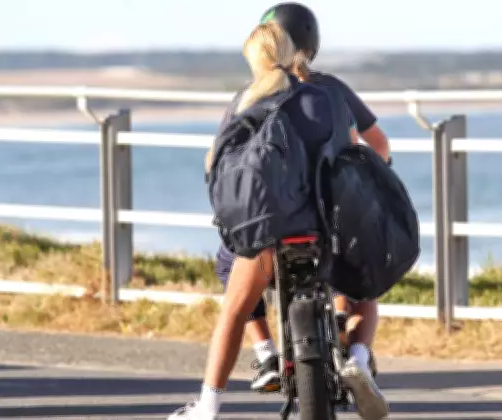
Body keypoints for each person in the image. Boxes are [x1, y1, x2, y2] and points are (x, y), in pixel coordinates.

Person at [167, 20, 389, 420]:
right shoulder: (326, 99)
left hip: (266, 234)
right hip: (324, 230)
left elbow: (213, 164)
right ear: (296, 52)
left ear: (254, 61)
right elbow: (349, 156)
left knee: (235, 310)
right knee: (363, 285)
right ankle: (356, 353)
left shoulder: (244, 101)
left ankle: (209, 405)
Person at [236, 1, 392, 397]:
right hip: (332, 212)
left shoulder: (253, 94)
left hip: (274, 219)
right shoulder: (331, 90)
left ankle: (266, 350)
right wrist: (375, 175)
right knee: (359, 267)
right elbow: (379, 145)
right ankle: (356, 352)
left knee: (231, 263)